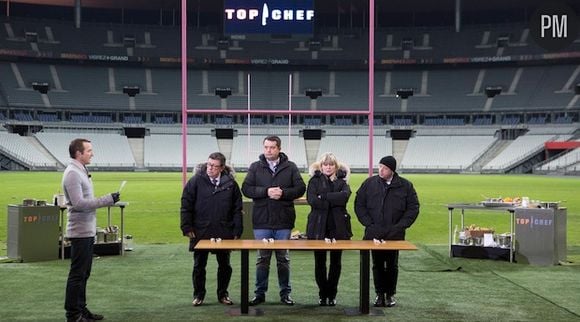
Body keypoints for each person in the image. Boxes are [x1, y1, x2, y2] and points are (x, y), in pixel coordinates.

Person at [241, 135, 306, 306]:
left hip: (283, 220)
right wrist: (266, 192)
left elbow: (300, 188)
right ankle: (259, 294)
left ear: (279, 149)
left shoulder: (290, 167)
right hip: (262, 220)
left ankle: (285, 294)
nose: (268, 150)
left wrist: (283, 193)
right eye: (266, 147)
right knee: (262, 258)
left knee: (283, 259)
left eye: (272, 147)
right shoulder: (255, 167)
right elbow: (246, 189)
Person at [63, 138, 120, 322]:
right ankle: (73, 314)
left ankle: (81, 309)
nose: (92, 153)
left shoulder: (80, 170)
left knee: (83, 274)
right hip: (80, 232)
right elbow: (79, 204)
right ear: (78, 153)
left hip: (86, 230)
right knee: (78, 274)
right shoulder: (72, 173)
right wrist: (107, 200)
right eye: (89, 150)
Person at [354, 156, 419, 308]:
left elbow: (413, 208)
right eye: (380, 166)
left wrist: (400, 226)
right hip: (374, 233)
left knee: (392, 265)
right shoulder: (369, 184)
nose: (381, 170)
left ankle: (390, 295)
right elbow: (359, 204)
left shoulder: (405, 186)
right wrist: (369, 224)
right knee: (376, 265)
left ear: (392, 170)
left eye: (385, 168)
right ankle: (379, 294)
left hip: (394, 235)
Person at [180, 152, 243, 307]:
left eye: (214, 166)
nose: (210, 168)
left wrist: (237, 230)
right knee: (199, 266)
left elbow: (237, 209)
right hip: (200, 230)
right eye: (209, 165)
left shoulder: (231, 184)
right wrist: (186, 226)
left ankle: (223, 294)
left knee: (225, 266)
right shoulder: (195, 181)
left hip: (224, 230)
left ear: (222, 168)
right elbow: (186, 205)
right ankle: (198, 295)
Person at [306, 152, 352, 306]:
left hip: (338, 227)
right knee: (319, 262)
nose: (328, 167)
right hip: (318, 226)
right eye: (325, 164)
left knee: (336, 262)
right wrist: (333, 198)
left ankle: (332, 294)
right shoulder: (314, 181)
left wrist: (323, 197)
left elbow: (344, 197)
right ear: (321, 165)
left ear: (335, 166)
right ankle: (322, 294)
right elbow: (312, 200)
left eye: (331, 164)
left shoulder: (342, 181)